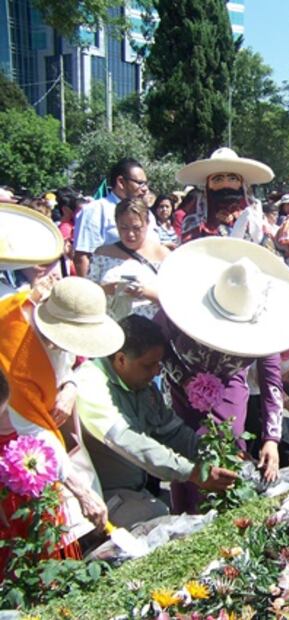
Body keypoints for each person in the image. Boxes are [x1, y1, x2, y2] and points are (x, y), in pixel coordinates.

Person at [154, 237, 289, 514]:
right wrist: (185, 379)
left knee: (228, 460)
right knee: (187, 463)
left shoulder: (265, 322)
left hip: (231, 396)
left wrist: (271, 439)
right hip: (183, 396)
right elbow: (158, 347)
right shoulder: (181, 306)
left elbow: (271, 381)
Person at [74, 315, 237, 528]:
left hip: (135, 489)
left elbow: (173, 431)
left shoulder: (143, 387)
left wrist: (216, 453)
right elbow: (129, 441)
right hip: (98, 496)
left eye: (158, 364)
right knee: (158, 520)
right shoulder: (91, 382)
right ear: (121, 359)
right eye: (148, 365)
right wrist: (193, 472)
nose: (156, 372)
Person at [0, 277, 124, 545]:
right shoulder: (15, 350)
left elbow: (64, 366)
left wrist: (69, 386)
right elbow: (33, 433)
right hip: (13, 438)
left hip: (37, 425)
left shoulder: (46, 316)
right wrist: (82, 492)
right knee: (30, 522)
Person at [88, 199, 170, 321]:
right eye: (124, 228)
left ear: (147, 223)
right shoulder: (102, 254)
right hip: (110, 327)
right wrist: (106, 289)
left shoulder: (164, 255)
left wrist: (144, 291)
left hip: (152, 330)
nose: (130, 234)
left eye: (136, 228)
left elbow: (174, 299)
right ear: (116, 224)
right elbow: (87, 294)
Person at [176, 148, 274, 243]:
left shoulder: (254, 213)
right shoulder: (196, 214)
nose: (226, 184)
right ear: (208, 185)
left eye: (232, 179)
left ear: (241, 183)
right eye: (218, 179)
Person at [74, 158, 150, 277]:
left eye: (146, 183)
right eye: (140, 183)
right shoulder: (95, 210)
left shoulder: (147, 213)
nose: (145, 189)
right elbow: (82, 257)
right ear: (121, 182)